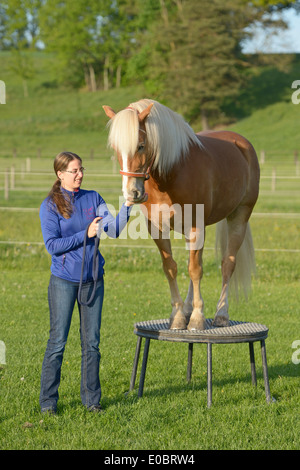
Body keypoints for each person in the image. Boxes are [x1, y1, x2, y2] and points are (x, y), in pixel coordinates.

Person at [39, 151, 145, 414]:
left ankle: (91, 401)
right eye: (73, 171)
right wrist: (84, 234)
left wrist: (128, 206)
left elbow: (114, 229)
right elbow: (52, 246)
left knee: (92, 344)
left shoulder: (93, 197)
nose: (79, 175)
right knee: (57, 343)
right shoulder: (50, 205)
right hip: (63, 281)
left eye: (81, 169)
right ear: (60, 174)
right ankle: (48, 403)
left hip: (93, 281)